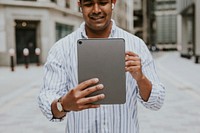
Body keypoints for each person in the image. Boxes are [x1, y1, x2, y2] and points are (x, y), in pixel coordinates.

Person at [38, 0, 165, 133]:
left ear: (113, 2)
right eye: (88, 4)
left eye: (103, 2)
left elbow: (156, 102)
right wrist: (63, 104)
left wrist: (141, 78)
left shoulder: (136, 45)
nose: (96, 10)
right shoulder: (61, 49)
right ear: (79, 5)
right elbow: (47, 101)